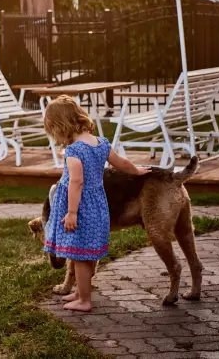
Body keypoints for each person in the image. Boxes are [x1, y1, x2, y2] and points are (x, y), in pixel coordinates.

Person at [43, 95, 151, 313]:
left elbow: (76, 181)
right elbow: (121, 163)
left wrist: (72, 212)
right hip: (98, 206)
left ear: (61, 126)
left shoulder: (74, 151)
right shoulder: (100, 143)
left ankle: (84, 300)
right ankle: (80, 291)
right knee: (89, 252)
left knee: (80, 256)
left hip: (81, 208)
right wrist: (137, 171)